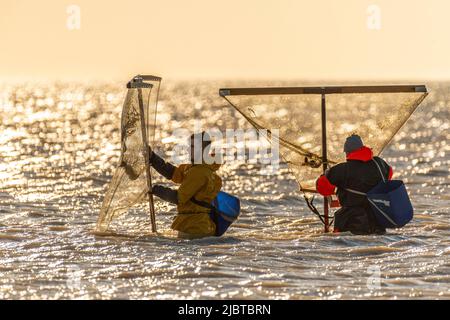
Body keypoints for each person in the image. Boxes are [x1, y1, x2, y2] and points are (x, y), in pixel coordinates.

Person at [316, 134, 393, 235]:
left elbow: (323, 189)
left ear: (347, 152)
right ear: (362, 147)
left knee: (349, 247)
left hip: (351, 222)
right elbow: (389, 174)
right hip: (378, 220)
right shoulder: (379, 163)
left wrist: (325, 174)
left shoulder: (342, 170)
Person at [149, 131, 222, 238]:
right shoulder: (199, 168)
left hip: (194, 229)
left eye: (192, 147)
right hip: (199, 227)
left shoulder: (199, 172)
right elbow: (173, 173)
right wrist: (153, 158)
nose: (188, 150)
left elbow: (178, 198)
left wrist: (154, 189)